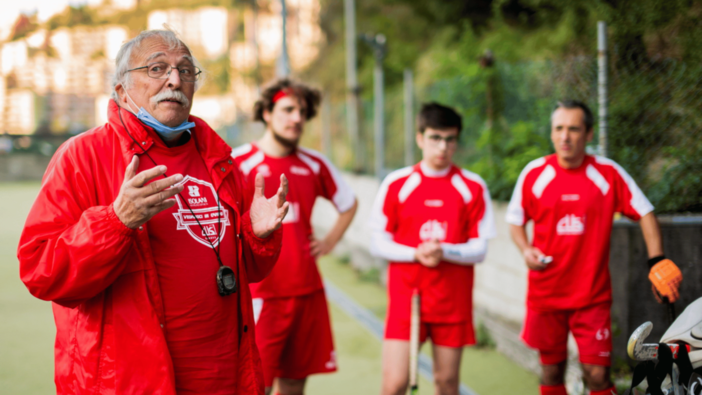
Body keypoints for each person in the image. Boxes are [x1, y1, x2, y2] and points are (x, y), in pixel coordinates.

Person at [17, 29, 290, 395]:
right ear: (121, 90)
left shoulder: (219, 159)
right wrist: (116, 223)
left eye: (186, 70)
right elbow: (40, 271)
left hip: (226, 376)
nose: (175, 79)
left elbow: (248, 273)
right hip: (130, 382)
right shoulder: (82, 156)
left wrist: (259, 236)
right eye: (157, 68)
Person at [506, 100, 683, 395]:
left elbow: (645, 212)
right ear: (551, 133)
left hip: (592, 297)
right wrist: (525, 249)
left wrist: (656, 260)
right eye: (559, 128)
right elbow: (514, 220)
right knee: (551, 371)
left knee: (597, 375)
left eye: (573, 129)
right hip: (545, 294)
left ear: (588, 134)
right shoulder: (535, 173)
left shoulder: (607, 173)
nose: (565, 136)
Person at [231, 78, 357, 395]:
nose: (297, 118)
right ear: (267, 114)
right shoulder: (239, 162)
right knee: (254, 384)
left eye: (302, 111)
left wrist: (329, 241)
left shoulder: (315, 163)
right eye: (288, 109)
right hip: (261, 296)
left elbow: (349, 203)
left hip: (306, 292)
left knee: (294, 385)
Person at [369, 102, 496, 395]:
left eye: (450, 139)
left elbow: (480, 249)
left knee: (447, 384)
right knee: (394, 384)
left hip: (452, 304)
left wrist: (445, 251)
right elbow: (378, 243)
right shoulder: (397, 183)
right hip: (407, 301)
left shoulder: (472, 186)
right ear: (420, 138)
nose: (443, 147)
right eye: (435, 138)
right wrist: (416, 253)